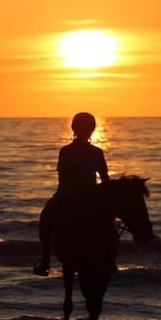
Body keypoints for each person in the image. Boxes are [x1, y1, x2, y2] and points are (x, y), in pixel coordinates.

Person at [33, 112, 109, 276]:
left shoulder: (97, 152)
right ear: (75, 129)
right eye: (82, 128)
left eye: (88, 128)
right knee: (48, 214)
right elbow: (63, 179)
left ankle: (110, 257)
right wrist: (71, 194)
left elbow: (105, 180)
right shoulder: (66, 151)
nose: (85, 131)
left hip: (90, 194)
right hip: (68, 194)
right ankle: (45, 259)